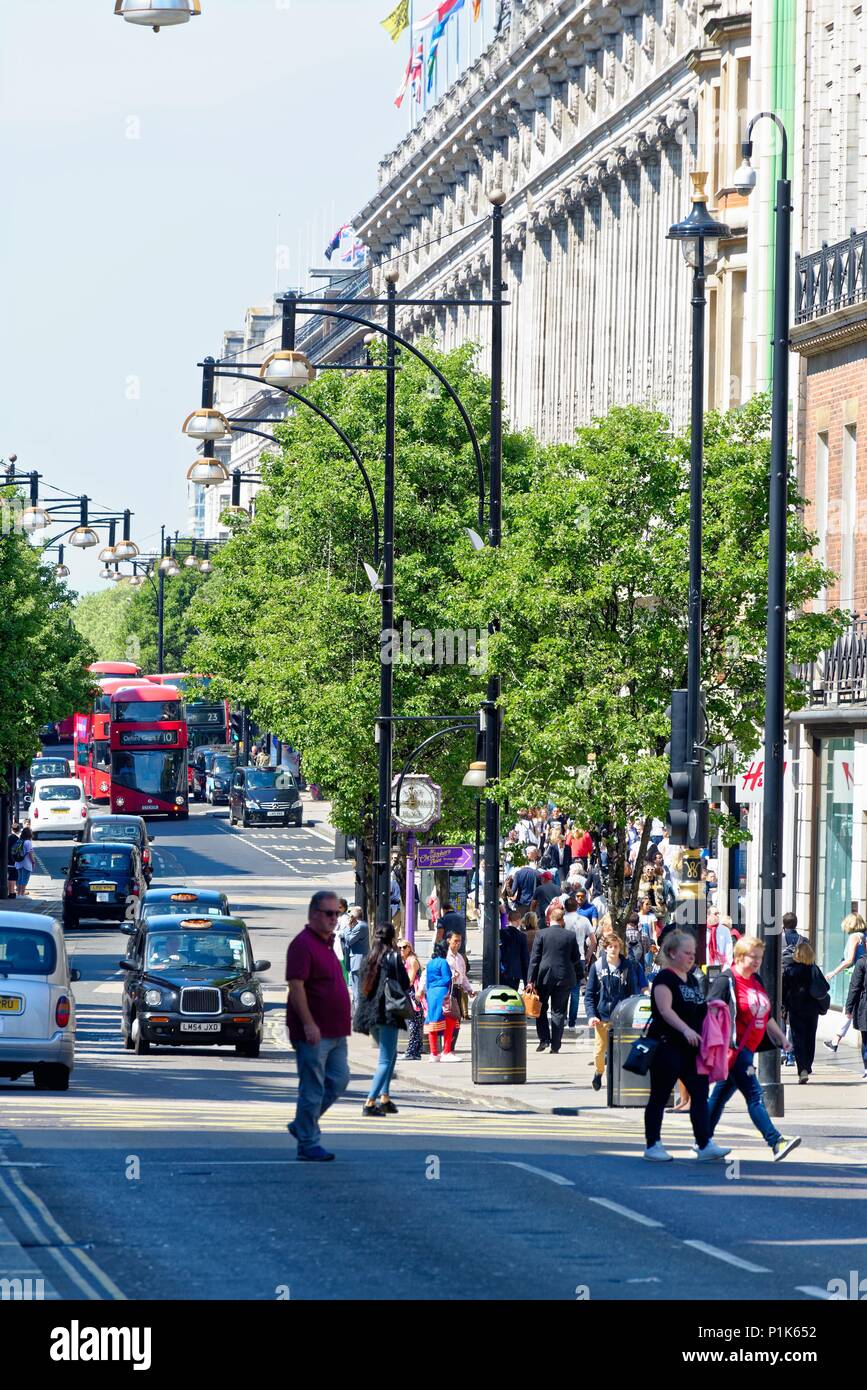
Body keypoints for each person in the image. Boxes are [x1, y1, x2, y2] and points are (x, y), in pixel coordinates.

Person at [706, 936, 801, 1160]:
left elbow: (765, 1016)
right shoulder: (726, 980)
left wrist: (782, 1039)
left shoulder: (756, 980)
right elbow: (710, 1011)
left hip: (747, 1049)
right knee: (755, 1095)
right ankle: (776, 1141)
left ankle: (703, 1140)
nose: (757, 961)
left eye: (760, 957)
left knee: (719, 1098)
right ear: (739, 956)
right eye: (753, 956)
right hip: (735, 1049)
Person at [643, 929, 728, 1163]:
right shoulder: (664, 978)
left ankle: (704, 1143)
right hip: (666, 1045)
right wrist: (685, 1029)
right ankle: (653, 1145)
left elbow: (698, 1008)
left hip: (691, 1049)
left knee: (700, 1094)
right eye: (686, 953)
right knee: (659, 1096)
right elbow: (664, 1010)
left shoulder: (691, 979)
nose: (692, 957)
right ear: (672, 953)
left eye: (693, 953)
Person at [285, 890, 352, 1161]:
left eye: (337, 913)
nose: (334, 918)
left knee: (338, 1080)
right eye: (329, 913)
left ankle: (303, 1124)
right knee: (312, 1087)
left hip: (336, 1031)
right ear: (313, 914)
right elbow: (296, 987)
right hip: (313, 1032)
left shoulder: (328, 943)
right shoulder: (302, 945)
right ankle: (308, 1143)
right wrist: (308, 1024)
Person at [353, 923, 412, 1114]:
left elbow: (362, 990)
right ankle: (370, 1102)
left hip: (371, 1016)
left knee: (391, 1054)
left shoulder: (369, 959)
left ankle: (385, 1097)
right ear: (392, 939)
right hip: (387, 1013)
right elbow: (404, 982)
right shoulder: (392, 958)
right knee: (385, 1060)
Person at [585, 936, 646, 1091]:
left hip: (620, 1017)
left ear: (620, 948)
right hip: (602, 1016)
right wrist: (592, 1015)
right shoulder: (597, 966)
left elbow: (632, 992)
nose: (613, 949)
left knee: (620, 1051)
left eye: (616, 946)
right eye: (610, 946)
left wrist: (631, 1014)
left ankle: (615, 1080)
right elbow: (590, 994)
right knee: (600, 1051)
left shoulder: (627, 966)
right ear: (605, 948)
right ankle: (599, 1072)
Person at [527, 908, 582, 1053]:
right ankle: (556, 1045)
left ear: (548, 919)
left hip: (543, 977)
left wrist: (530, 980)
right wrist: (579, 975)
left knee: (541, 1009)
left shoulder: (541, 934)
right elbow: (576, 958)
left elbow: (535, 959)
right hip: (564, 977)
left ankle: (544, 1039)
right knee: (558, 1011)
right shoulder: (570, 936)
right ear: (562, 920)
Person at [783, 940, 828, 1082]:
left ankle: (802, 1068)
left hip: (796, 1008)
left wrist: (783, 1007)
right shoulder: (814, 969)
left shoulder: (790, 970)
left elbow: (784, 991)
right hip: (812, 1009)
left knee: (798, 1038)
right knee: (810, 1037)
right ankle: (807, 1065)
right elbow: (824, 987)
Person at [824, 912, 867, 1052]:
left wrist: (833, 972)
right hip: (862, 974)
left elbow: (849, 959)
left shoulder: (855, 937)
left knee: (849, 1007)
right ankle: (836, 1040)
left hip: (857, 974)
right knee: (851, 1007)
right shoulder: (864, 935)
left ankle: (836, 1040)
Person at [418, 941, 454, 1061]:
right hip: (442, 993)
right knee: (449, 1019)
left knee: (432, 1020)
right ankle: (446, 1051)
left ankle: (434, 1053)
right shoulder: (443, 962)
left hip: (431, 993)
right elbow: (447, 979)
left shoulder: (430, 963)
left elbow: (427, 981)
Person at [338, 905, 369, 1010]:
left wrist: (347, 927)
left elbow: (349, 940)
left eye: (350, 914)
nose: (349, 917)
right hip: (353, 961)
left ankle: (358, 1015)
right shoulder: (357, 925)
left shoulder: (360, 926)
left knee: (357, 991)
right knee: (355, 990)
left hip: (358, 961)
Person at [398, 938, 424, 1060]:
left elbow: (410, 980)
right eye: (399, 948)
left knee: (414, 1023)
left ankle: (411, 1052)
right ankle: (416, 1052)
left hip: (414, 995)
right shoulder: (406, 960)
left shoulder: (411, 960)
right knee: (416, 1023)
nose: (402, 949)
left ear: (410, 948)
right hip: (412, 994)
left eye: (404, 947)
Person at [845, 948, 867, 1079]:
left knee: (866, 1041)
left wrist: (849, 1007)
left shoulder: (862, 962)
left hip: (865, 1006)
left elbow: (855, 986)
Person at [500, 908, 530, 991]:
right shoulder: (521, 936)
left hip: (501, 972)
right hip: (515, 973)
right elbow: (525, 959)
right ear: (519, 920)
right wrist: (526, 981)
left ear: (508, 919)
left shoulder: (500, 933)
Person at [504, 847, 540, 913]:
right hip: (533, 904)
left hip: (521, 903)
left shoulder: (518, 873)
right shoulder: (537, 873)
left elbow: (511, 893)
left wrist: (507, 884)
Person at [16, 823, 34, 897]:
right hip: (26, 864)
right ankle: (22, 894)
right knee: (25, 879)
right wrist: (33, 862)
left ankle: (19, 893)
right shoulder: (28, 842)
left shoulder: (19, 841)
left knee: (20, 879)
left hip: (19, 863)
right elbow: (30, 854)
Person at [6, 821, 21, 898]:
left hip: (6, 860)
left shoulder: (7, 838)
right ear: (19, 830)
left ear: (11, 829)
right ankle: (12, 893)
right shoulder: (18, 840)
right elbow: (19, 852)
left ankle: (9, 892)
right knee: (13, 877)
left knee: (9, 877)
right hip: (14, 861)